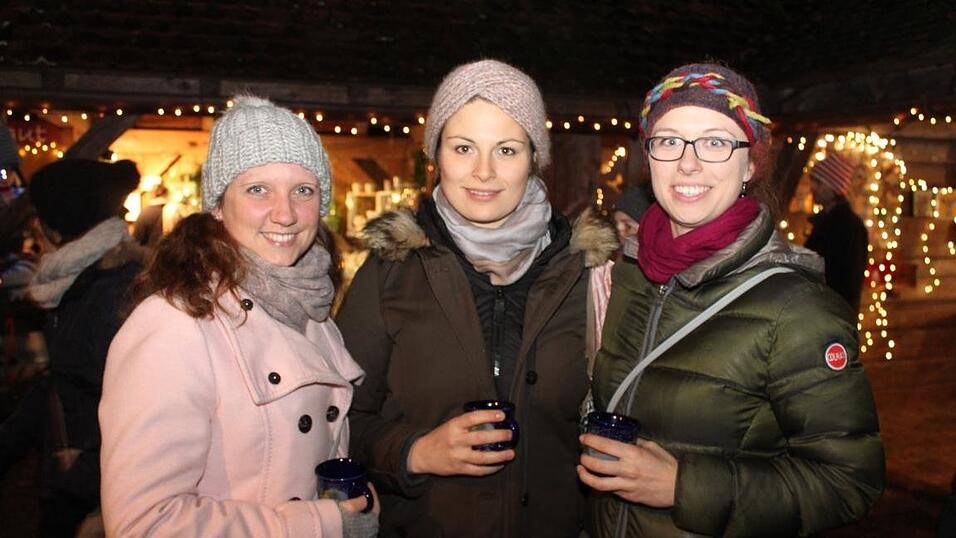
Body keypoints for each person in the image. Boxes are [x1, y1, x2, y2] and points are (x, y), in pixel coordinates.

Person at [580, 63, 884, 537]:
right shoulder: (630, 274)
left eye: (716, 142)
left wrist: (684, 485)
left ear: (749, 164)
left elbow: (848, 480)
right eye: (669, 140)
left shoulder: (797, 309)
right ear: (649, 157)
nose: (688, 162)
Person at [335, 59, 617, 537]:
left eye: (506, 150)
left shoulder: (591, 274)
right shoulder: (390, 272)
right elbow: (339, 421)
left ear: (534, 158)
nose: (483, 172)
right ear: (436, 155)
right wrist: (414, 452)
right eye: (463, 147)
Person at [98, 96, 378, 537]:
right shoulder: (173, 325)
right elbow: (144, 525)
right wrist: (319, 523)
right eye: (257, 189)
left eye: (302, 190)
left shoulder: (312, 309)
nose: (285, 214)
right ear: (217, 205)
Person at [16, 158, 143, 536]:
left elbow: (134, 401)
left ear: (54, 226)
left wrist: (87, 472)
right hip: (75, 474)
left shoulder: (114, 291)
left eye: (37, 214)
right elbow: (58, 385)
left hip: (95, 486)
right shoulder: (83, 281)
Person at [805, 152, 869, 312]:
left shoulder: (848, 227)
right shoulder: (825, 221)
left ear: (834, 188)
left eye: (819, 182)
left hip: (831, 314)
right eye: (813, 180)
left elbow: (846, 282)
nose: (813, 187)